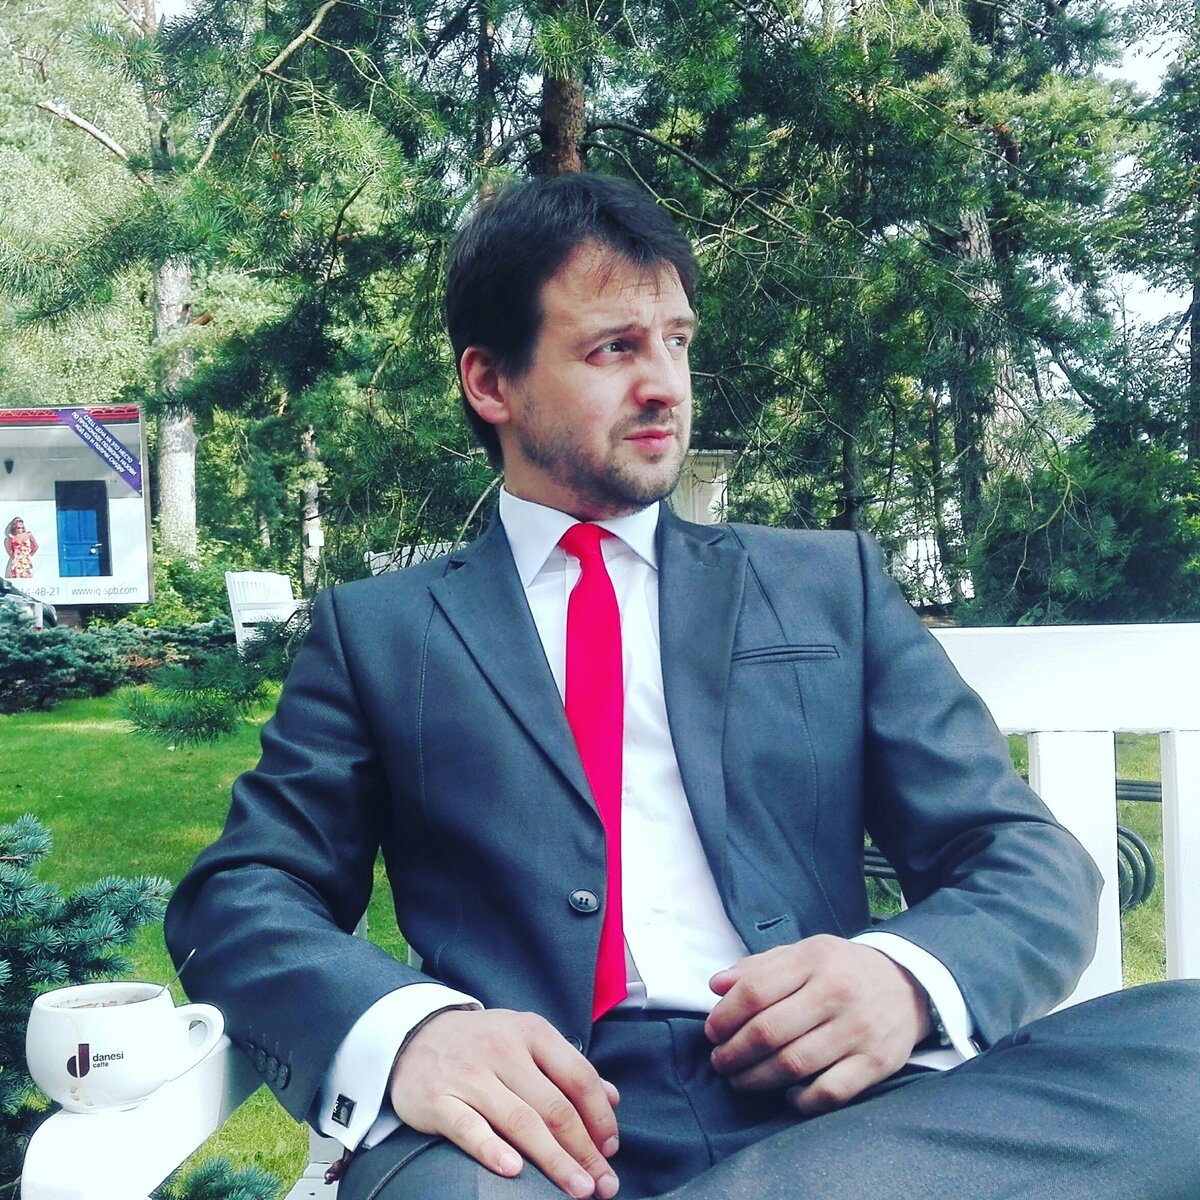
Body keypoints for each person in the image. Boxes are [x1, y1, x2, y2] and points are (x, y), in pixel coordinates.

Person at [166, 173, 1200, 1200]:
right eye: (614, 348)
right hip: (536, 1131)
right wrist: (414, 1033)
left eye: (676, 341)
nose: (664, 383)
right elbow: (243, 894)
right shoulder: (382, 632)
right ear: (491, 383)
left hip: (842, 1109)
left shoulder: (824, 585)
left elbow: (1022, 855)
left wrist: (902, 978)